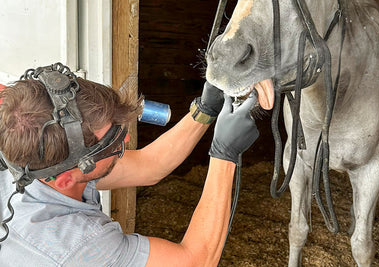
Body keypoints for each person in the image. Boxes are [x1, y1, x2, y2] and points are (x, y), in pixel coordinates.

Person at [0, 64, 259, 266]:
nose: (125, 139)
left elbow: (149, 165)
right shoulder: (81, 248)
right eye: (111, 143)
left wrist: (206, 109)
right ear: (67, 178)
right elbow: (196, 261)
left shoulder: (36, 161)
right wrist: (225, 154)